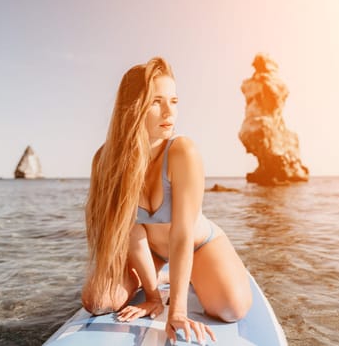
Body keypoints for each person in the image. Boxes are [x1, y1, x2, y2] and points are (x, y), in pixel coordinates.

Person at [81, 57, 252, 345]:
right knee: (96, 300)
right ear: (132, 108)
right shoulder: (106, 161)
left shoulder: (182, 152)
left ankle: (194, 274)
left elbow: (183, 233)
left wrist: (178, 311)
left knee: (230, 308)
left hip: (198, 245)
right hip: (151, 252)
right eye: (156, 102)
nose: (169, 111)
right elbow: (128, 231)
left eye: (173, 100)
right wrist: (151, 297)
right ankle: (163, 278)